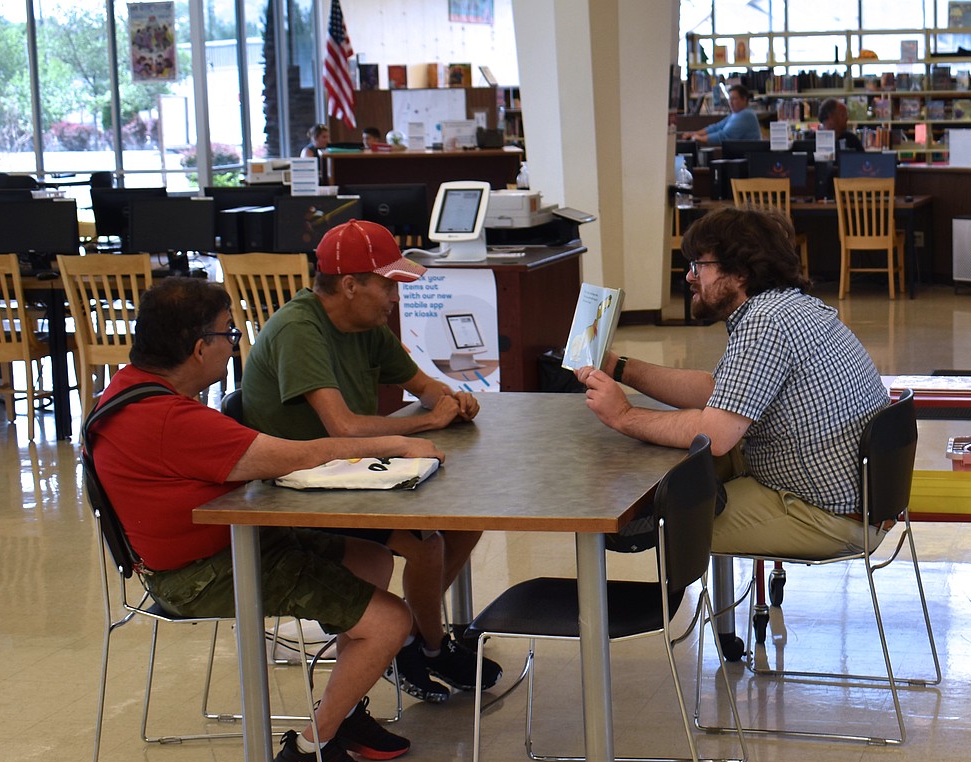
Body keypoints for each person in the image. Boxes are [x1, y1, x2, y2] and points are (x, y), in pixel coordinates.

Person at [89, 277, 446, 762]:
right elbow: (296, 454)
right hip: (198, 573)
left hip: (214, 546)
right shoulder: (171, 418)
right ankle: (308, 751)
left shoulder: (127, 388)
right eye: (228, 333)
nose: (234, 342)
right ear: (198, 348)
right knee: (391, 620)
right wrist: (396, 443)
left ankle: (342, 713)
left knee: (370, 559)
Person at [241, 219, 502, 702]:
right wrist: (425, 425)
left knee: (466, 522)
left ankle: (411, 640)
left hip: (351, 475)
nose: (395, 299)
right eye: (387, 285)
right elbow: (343, 427)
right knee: (426, 544)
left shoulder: (367, 325)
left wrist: (454, 400)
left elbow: (426, 389)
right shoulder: (300, 329)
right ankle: (428, 646)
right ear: (350, 285)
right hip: (295, 492)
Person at [576, 207, 890, 561]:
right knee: (682, 484)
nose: (690, 277)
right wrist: (620, 369)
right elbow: (717, 391)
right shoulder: (787, 308)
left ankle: (616, 614)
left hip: (823, 515)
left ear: (739, 273)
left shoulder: (765, 323)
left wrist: (623, 415)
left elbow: (717, 434)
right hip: (849, 498)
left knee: (665, 524)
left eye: (699, 265)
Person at [683, 84, 761, 145]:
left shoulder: (746, 115)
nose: (730, 102)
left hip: (746, 158)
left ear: (744, 99)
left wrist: (698, 138)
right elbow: (716, 127)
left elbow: (724, 137)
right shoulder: (735, 114)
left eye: (734, 99)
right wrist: (694, 134)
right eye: (730, 99)